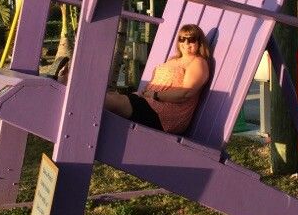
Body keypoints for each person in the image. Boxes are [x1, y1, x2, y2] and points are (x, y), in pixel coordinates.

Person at [55, 24, 210, 135]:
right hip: (149, 104)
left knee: (113, 102)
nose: (186, 43)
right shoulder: (173, 60)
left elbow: (185, 94)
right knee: (114, 97)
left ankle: (73, 88)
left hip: (164, 116)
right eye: (182, 39)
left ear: (199, 42)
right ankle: (73, 86)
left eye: (191, 39)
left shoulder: (198, 63)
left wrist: (155, 96)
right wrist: (146, 94)